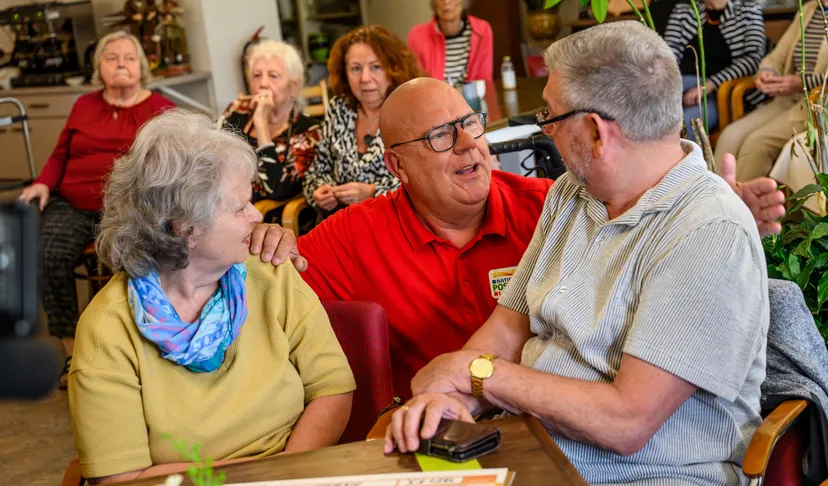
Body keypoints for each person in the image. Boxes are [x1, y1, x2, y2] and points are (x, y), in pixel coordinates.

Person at [384, 22, 768, 486]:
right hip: (532, 453)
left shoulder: (706, 231)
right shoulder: (571, 195)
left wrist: (478, 376)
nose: (545, 130)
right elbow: (508, 325)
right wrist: (454, 400)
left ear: (594, 131)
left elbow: (626, 421)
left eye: (549, 116)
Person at [248, 75, 785, 403]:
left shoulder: (548, 205)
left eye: (470, 123)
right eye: (440, 135)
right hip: (441, 431)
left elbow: (649, 255)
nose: (468, 145)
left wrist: (707, 210)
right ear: (396, 165)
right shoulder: (353, 235)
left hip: (551, 425)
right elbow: (265, 286)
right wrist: (263, 239)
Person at [69, 110, 355, 485]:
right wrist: (254, 480)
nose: (257, 216)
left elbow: (333, 389)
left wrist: (284, 478)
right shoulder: (108, 328)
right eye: (240, 208)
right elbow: (121, 478)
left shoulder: (269, 271)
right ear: (183, 226)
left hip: (297, 479)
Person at [17, 31, 175, 388]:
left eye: (129, 58)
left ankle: (140, 351)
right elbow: (60, 154)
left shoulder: (160, 109)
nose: (121, 64)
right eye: (112, 57)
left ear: (142, 68)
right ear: (98, 67)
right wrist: (43, 182)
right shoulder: (83, 105)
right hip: (74, 204)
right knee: (46, 255)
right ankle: (73, 351)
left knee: (139, 261)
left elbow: (173, 164)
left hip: (131, 206)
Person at [303, 25, 422, 216]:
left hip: (394, 221)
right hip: (341, 223)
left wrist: (373, 192)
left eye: (375, 67)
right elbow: (317, 171)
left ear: (393, 69)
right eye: (356, 68)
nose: (365, 78)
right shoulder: (339, 108)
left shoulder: (411, 111)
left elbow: (424, 181)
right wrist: (318, 192)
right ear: (344, 72)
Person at [714, 0, 828, 180]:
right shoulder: (808, 9)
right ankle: (713, 200)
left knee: (757, 143)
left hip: (818, 105)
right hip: (790, 97)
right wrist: (768, 72)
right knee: (730, 136)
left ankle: (741, 207)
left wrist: (802, 82)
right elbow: (777, 56)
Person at [218, 39, 321, 222]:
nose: (263, 84)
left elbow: (278, 190)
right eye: (257, 75)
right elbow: (207, 159)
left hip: (270, 222)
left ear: (294, 87)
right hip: (223, 212)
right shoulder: (237, 110)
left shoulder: (307, 131)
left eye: (273, 76)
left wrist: (261, 123)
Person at [663, 0, 766, 139]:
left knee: (683, 125)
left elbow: (753, 60)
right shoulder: (684, 9)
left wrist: (709, 85)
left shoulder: (748, 10)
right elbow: (669, 52)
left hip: (723, 91)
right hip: (682, 83)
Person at [407, 0, 494, 85]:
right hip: (433, 98)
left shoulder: (482, 31)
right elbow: (418, 85)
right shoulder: (417, 36)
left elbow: (484, 81)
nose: (446, 2)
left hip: (471, 98)